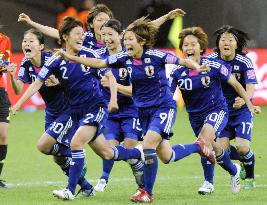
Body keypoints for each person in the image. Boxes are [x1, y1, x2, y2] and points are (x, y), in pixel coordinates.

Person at [54, 16, 216, 203]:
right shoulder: (124, 58)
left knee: (147, 145)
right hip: (143, 111)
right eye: (126, 39)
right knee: (166, 156)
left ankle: (147, 192)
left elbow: (183, 61)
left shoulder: (157, 56)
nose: (126, 43)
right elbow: (99, 63)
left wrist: (197, 66)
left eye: (130, 39)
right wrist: (70, 57)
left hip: (163, 107)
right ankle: (198, 146)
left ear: (142, 41)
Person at [10, 17, 143, 201]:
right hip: (75, 111)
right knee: (107, 152)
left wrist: (113, 100)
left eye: (82, 34)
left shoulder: (90, 54)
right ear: (65, 36)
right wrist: (18, 103)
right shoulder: (57, 58)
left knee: (76, 143)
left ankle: (70, 190)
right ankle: (137, 154)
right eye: (77, 34)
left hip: (96, 107)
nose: (82, 37)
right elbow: (37, 82)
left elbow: (110, 77)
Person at [168, 27, 260, 195]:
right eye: (186, 44)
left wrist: (249, 102)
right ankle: (234, 170)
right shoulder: (178, 71)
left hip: (220, 109)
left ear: (201, 47)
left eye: (193, 44)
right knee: (218, 150)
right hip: (196, 115)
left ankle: (209, 182)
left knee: (228, 145)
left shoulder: (218, 64)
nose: (189, 47)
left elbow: (238, 84)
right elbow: (167, 95)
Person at [7, 28, 95, 197]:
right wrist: (12, 76)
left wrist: (58, 83)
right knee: (58, 158)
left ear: (41, 46)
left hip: (68, 110)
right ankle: (86, 187)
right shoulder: (26, 64)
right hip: (51, 113)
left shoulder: (52, 60)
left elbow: (72, 81)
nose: (26, 43)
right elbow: (18, 89)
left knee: (43, 145)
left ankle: (76, 155)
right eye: (25, 41)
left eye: (31, 41)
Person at [91, 19, 144, 193]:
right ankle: (104, 178)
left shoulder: (130, 58)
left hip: (131, 110)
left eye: (110, 34)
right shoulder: (99, 57)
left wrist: (114, 86)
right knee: (109, 147)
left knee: (129, 145)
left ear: (120, 35)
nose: (106, 38)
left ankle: (137, 163)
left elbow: (135, 91)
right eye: (103, 34)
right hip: (109, 111)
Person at [206, 25, 258, 189]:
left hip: (241, 110)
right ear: (218, 43)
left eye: (230, 40)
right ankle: (243, 161)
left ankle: (249, 177)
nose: (226, 42)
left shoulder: (244, 61)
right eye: (223, 39)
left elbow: (250, 86)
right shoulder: (211, 60)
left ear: (237, 44)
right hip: (221, 111)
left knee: (243, 147)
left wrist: (245, 100)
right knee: (223, 150)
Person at [18, 4, 113, 49]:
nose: (103, 23)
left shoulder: (119, 40)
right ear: (91, 24)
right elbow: (56, 32)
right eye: (100, 20)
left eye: (106, 20)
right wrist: (31, 23)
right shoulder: (85, 38)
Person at [0, 32, 12, 188]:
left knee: (2, 135)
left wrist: (7, 67)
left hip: (0, 92)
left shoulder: (5, 40)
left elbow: (6, 63)